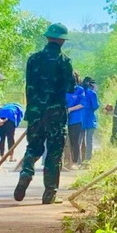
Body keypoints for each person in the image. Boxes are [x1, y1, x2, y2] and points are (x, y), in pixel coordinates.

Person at [16, 24, 76, 203]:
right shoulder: (64, 61)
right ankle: (49, 193)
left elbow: (30, 84)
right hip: (55, 114)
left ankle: (26, 173)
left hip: (35, 113)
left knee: (33, 147)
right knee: (54, 151)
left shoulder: (33, 59)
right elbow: (71, 88)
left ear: (48, 38)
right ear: (62, 40)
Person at [65, 76, 86, 168]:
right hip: (64, 119)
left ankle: (74, 162)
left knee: (74, 140)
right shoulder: (63, 88)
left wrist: (70, 109)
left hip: (75, 119)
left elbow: (82, 104)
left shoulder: (80, 90)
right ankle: (64, 161)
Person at [81, 76, 99, 161]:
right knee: (89, 141)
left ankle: (78, 160)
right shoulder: (92, 93)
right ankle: (88, 159)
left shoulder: (80, 92)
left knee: (79, 141)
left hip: (80, 119)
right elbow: (95, 106)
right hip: (90, 119)